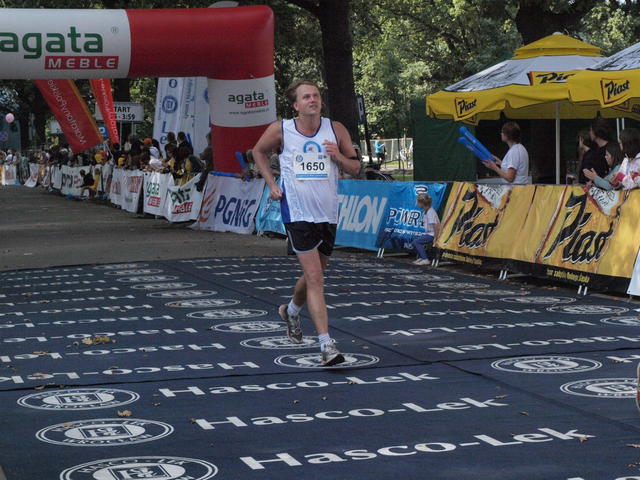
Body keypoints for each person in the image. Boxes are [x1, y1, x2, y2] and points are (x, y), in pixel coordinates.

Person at [252, 79, 361, 366]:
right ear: (295, 105)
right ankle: (326, 345)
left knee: (315, 275)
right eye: (306, 97)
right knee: (315, 278)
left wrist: (337, 156)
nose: (312, 100)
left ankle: (290, 310)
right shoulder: (282, 129)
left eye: (316, 95)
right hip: (297, 212)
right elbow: (258, 152)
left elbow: (355, 168)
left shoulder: (336, 129)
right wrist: (271, 183)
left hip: (327, 212)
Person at [578, 118, 610, 184]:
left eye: (591, 130)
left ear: (596, 132)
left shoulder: (610, 149)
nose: (590, 133)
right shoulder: (596, 150)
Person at [411, 193, 440, 265]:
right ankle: (422, 257)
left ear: (422, 203)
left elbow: (436, 225)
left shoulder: (430, 212)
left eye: (418, 202)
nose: (417, 204)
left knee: (416, 242)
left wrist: (436, 237)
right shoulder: (426, 211)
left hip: (432, 234)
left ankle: (425, 259)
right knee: (414, 241)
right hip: (429, 233)